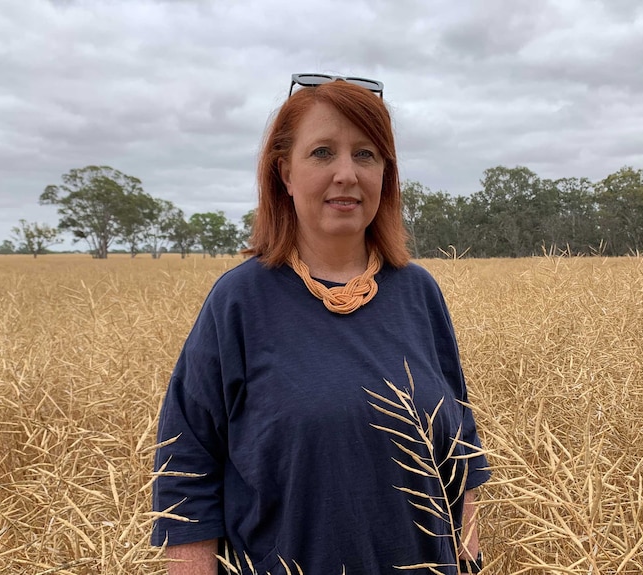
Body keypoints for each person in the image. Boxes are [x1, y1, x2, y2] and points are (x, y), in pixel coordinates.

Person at [152, 73, 491, 575]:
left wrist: (468, 554)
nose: (346, 174)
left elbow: (460, 444)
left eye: (366, 154)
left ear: (386, 175)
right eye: (322, 153)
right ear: (284, 174)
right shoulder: (240, 300)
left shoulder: (419, 293)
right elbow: (185, 469)